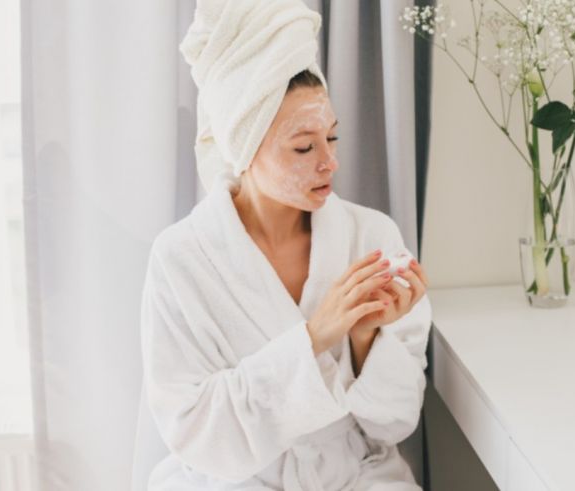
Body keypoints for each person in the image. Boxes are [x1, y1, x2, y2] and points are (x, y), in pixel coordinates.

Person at [139, 1, 432, 489]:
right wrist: (316, 335)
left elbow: (397, 423)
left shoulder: (371, 238)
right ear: (244, 145)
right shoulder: (181, 260)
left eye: (333, 138)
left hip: (355, 477)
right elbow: (193, 428)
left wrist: (365, 342)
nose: (329, 163)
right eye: (303, 147)